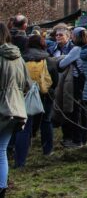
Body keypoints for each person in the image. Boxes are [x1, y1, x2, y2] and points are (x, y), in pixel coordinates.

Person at [0, 22, 31, 197]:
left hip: (2, 107)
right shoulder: (19, 58)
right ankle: (2, 187)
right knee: (1, 150)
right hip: (17, 109)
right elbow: (28, 85)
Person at [14, 34, 54, 167]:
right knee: (46, 122)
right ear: (43, 44)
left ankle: (20, 161)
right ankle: (47, 151)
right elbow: (55, 80)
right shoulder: (48, 59)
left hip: (25, 96)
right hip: (46, 96)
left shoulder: (22, 59)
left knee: (24, 128)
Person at [57, 27, 87, 148]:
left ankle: (77, 139)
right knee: (85, 111)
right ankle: (85, 138)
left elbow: (62, 64)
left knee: (76, 110)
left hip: (76, 82)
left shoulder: (76, 49)